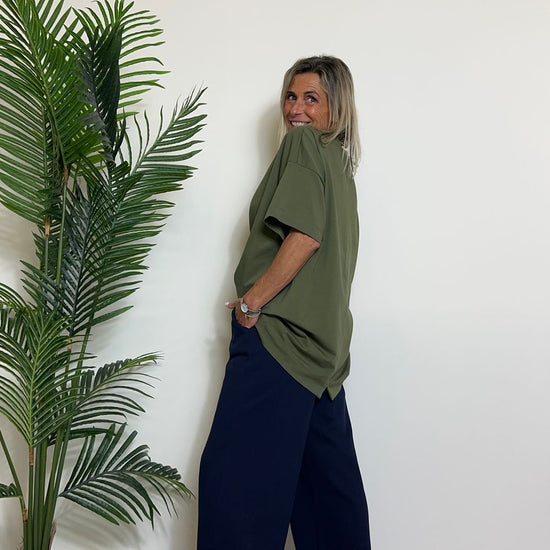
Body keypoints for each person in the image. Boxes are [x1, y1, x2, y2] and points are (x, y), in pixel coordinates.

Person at [198, 55, 371, 550]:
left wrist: (251, 304)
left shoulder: (302, 146)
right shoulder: (341, 167)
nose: (296, 109)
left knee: (235, 495)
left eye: (311, 98)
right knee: (330, 507)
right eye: (291, 97)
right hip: (325, 361)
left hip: (278, 345)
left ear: (337, 106)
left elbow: (306, 237)